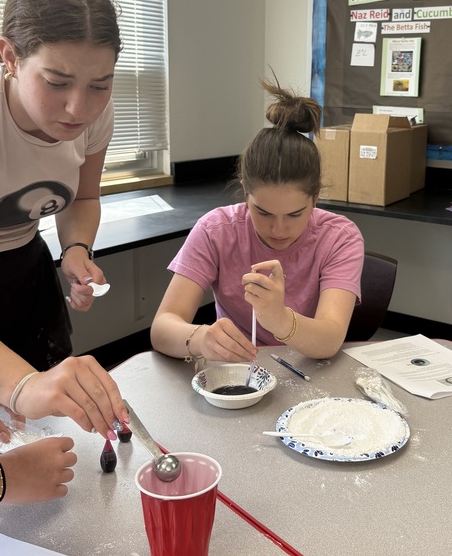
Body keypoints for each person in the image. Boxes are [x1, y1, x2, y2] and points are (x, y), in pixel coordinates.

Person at [0, 0, 127, 524]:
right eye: (57, 82)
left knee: (35, 446)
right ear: (9, 56)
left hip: (25, 271)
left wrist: (74, 249)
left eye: (100, 85)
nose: (79, 107)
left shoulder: (93, 114)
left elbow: (84, 197)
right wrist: (17, 385)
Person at [151, 79, 364, 363]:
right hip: (238, 371)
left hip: (308, 367)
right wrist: (200, 338)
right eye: (262, 212)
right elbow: (163, 327)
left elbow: (330, 339)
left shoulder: (340, 237)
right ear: (244, 192)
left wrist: (279, 320)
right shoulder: (216, 231)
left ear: (315, 199)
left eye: (294, 214)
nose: (278, 230)